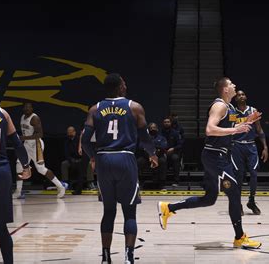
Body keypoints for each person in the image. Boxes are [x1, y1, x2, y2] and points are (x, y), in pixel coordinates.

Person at [158, 77, 262, 249]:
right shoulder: (219, 105)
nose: (235, 85)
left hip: (217, 156)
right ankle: (240, 237)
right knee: (234, 192)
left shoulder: (228, 107)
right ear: (225, 89)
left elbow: (229, 122)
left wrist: (247, 120)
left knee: (209, 199)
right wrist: (236, 129)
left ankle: (168, 208)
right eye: (231, 84)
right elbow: (210, 129)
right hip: (216, 157)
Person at [81, 73, 159, 264]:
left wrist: (93, 157)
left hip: (104, 160)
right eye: (124, 82)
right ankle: (128, 257)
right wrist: (152, 154)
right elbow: (145, 138)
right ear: (121, 87)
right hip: (125, 158)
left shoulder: (95, 109)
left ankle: (106, 256)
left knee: (108, 211)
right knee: (129, 212)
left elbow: (84, 140)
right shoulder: (134, 107)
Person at [0, 76, 32, 264]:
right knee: (0, 226)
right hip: (2, 172)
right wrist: (26, 166)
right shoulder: (2, 113)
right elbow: (17, 144)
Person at [14, 102, 66, 199]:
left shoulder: (34, 118)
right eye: (25, 107)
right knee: (19, 165)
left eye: (29, 108)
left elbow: (40, 134)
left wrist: (24, 137)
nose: (27, 109)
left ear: (32, 109)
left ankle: (61, 186)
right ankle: (18, 191)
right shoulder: (22, 117)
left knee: (41, 169)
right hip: (27, 144)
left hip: (36, 145)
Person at [232, 90, 268, 215]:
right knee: (239, 176)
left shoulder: (253, 110)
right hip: (236, 146)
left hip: (251, 145)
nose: (241, 96)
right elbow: (230, 129)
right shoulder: (232, 111)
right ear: (235, 98)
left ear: (246, 96)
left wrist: (265, 147)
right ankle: (237, 203)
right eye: (238, 95)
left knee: (254, 173)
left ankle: (251, 200)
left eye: (243, 94)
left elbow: (259, 129)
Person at [61, 126, 85, 195]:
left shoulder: (79, 140)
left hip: (80, 159)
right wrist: (71, 160)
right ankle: (65, 183)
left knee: (89, 164)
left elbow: (83, 151)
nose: (69, 134)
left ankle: (90, 182)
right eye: (68, 132)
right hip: (71, 160)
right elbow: (66, 153)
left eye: (71, 132)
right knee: (64, 164)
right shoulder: (67, 141)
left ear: (74, 132)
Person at [161, 117, 183, 186]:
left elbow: (180, 144)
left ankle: (176, 181)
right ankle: (162, 181)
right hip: (162, 153)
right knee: (162, 160)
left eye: (168, 122)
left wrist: (173, 148)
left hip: (173, 152)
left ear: (170, 123)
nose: (166, 123)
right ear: (163, 123)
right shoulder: (160, 133)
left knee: (175, 158)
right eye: (165, 122)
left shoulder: (175, 133)